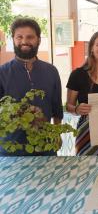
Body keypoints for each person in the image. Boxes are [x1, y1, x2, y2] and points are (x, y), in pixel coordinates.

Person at [0, 18, 63, 156]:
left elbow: (57, 108)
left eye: (30, 37)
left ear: (39, 40)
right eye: (19, 37)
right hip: (11, 150)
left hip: (45, 147)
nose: (24, 41)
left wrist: (57, 134)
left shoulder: (51, 71)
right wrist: (20, 114)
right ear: (13, 40)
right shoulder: (2, 73)